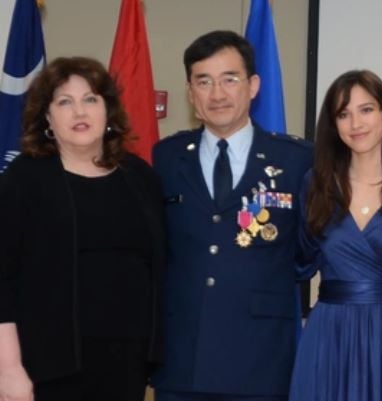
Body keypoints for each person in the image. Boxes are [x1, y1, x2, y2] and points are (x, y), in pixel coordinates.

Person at [151, 30, 313, 401]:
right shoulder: (167, 158)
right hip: (182, 359)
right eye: (203, 82)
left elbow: (312, 248)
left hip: (261, 359)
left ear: (253, 85)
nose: (217, 94)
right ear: (191, 93)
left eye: (229, 79)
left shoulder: (296, 159)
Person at [0, 56, 166, 401]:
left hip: (128, 365)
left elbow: (158, 267)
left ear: (108, 110)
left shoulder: (140, 177)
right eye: (65, 102)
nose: (80, 112)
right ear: (47, 117)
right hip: (47, 368)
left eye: (90, 99)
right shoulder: (25, 180)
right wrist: (9, 370)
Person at [289, 70, 382, 401]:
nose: (355, 123)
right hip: (328, 333)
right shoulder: (315, 184)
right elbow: (298, 264)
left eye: (366, 109)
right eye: (343, 114)